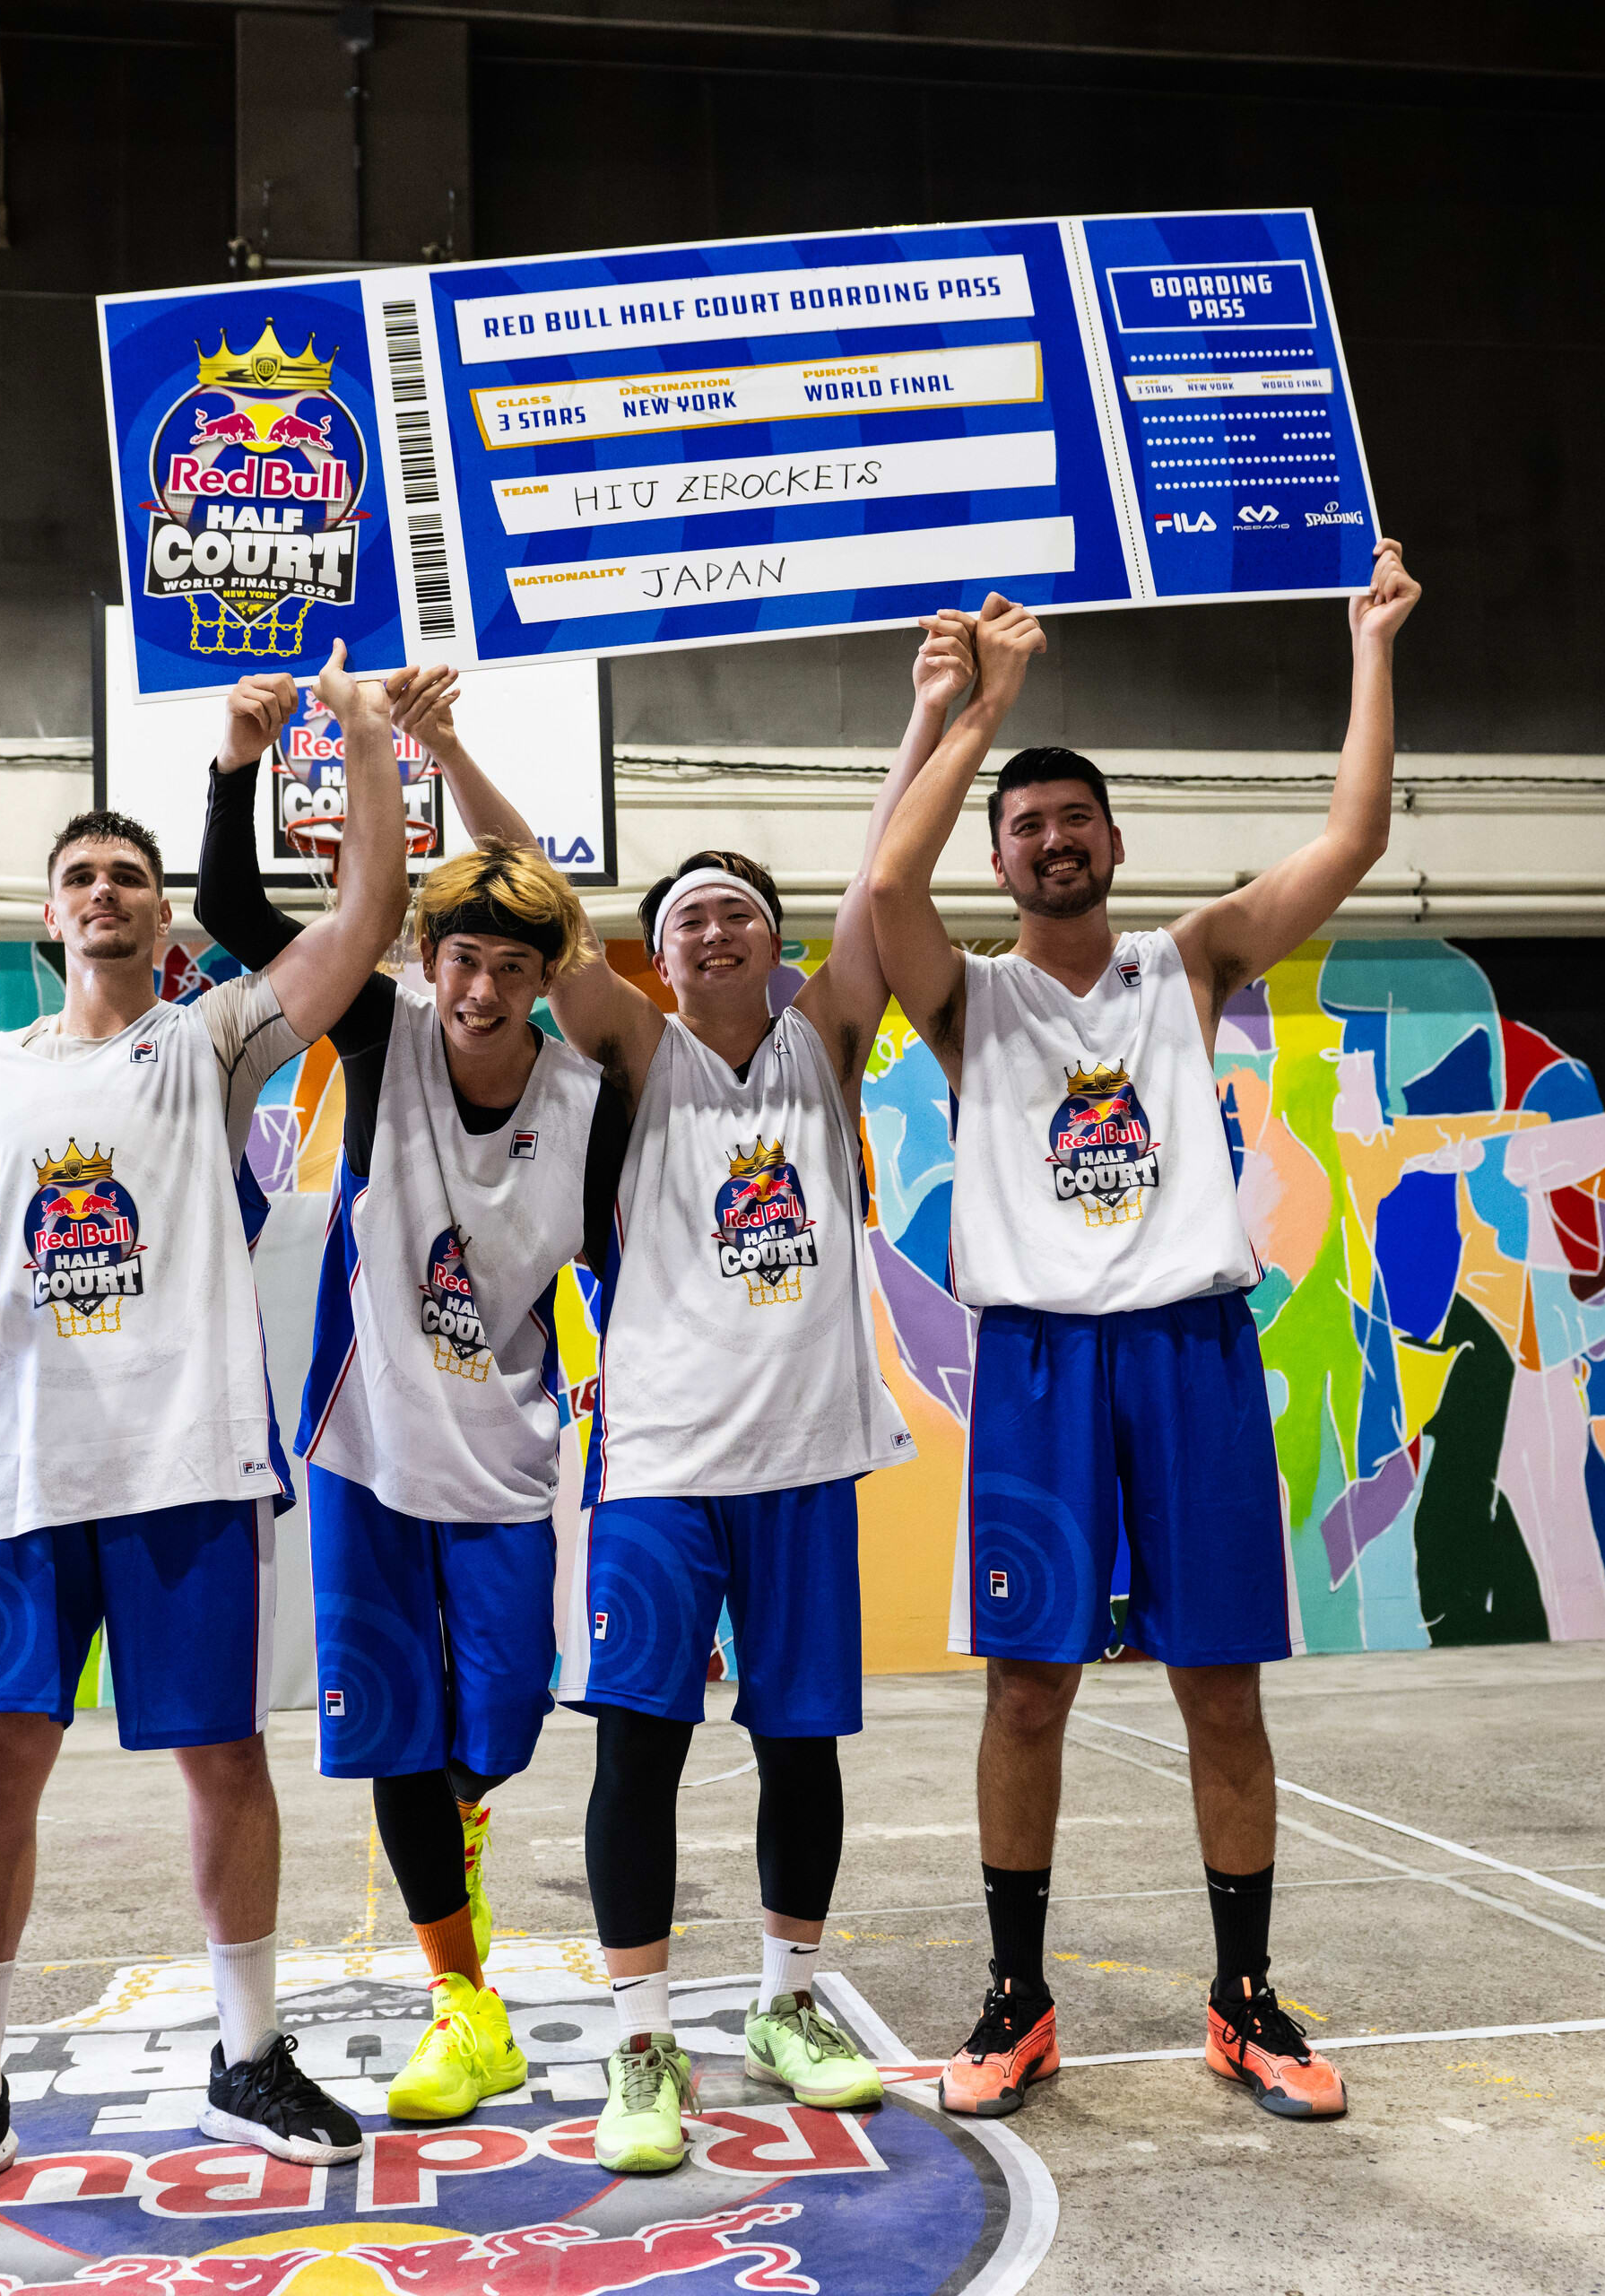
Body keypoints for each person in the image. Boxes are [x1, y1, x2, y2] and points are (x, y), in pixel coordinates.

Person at [391, 624, 968, 2176]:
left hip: (804, 1461)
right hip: (657, 1462)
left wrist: (928, 714)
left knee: (803, 1746)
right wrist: (443, 754)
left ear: (775, 946)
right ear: (652, 953)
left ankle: (787, 2000)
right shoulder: (633, 1050)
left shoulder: (826, 1043)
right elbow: (530, 887)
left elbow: (879, 881)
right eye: (689, 918)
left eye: (739, 915)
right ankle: (642, 2040)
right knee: (636, 1745)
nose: (715, 931)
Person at [0, 643, 410, 2226]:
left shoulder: (209, 1040)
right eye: (80, 876)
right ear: (48, 915)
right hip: (27, 1469)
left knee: (223, 1760)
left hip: (187, 1461)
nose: (105, 892)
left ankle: (248, 2052)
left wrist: (358, 739)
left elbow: (364, 921)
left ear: (163, 915)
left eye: (130, 875)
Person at [869, 542, 1422, 2126]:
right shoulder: (967, 998)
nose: (1050, 842)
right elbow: (884, 891)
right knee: (1026, 1692)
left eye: (1070, 820)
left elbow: (1354, 835)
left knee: (1221, 1691)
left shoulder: (1189, 960)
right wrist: (976, 710)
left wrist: (1369, 647)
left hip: (1188, 1356)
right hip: (1040, 1364)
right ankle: (1015, 1997)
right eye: (1022, 829)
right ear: (1003, 858)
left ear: (1116, 840)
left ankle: (1243, 1999)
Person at [188, 666, 626, 2126]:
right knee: (394, 1727)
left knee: (491, 1729)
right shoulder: (381, 1045)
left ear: (538, 974)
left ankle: (466, 1840)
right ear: (430, 961)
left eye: (508, 963)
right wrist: (254, 766)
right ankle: (467, 2002)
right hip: (370, 1442)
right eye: (458, 957)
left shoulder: (585, 1100)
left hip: (504, 1446)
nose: (479, 984)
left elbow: (631, 1258)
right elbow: (247, 926)